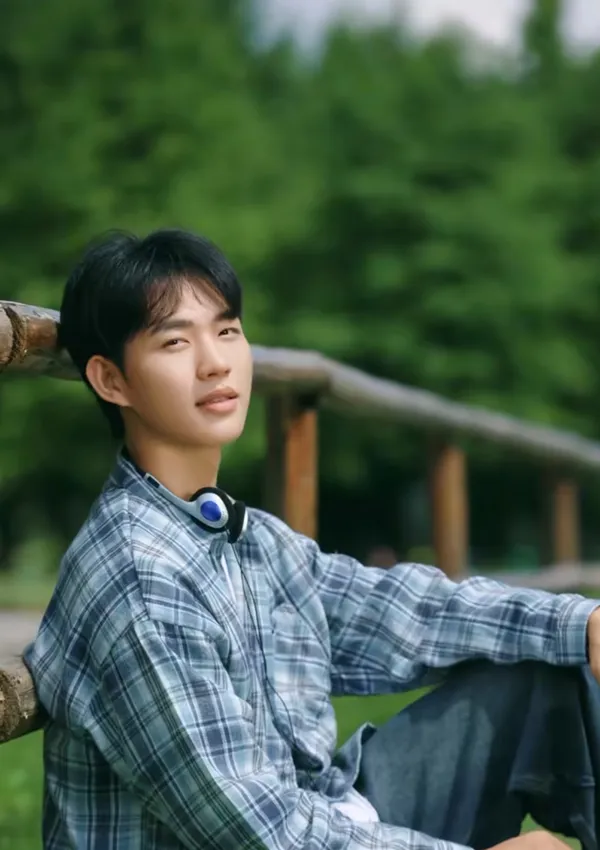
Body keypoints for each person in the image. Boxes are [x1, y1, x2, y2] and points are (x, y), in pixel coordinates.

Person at [25, 228, 600, 850]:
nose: (214, 361)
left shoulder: (238, 535)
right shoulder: (138, 581)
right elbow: (256, 831)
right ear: (112, 381)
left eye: (226, 331)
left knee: (557, 667)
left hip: (336, 816)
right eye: (174, 341)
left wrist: (584, 623)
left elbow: (400, 612)